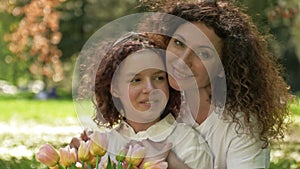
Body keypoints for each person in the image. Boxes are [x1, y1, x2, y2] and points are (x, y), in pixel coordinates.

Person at [139, 1, 293, 169]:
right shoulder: (157, 101)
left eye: (203, 53)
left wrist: (171, 161)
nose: (183, 61)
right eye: (178, 43)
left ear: (223, 66)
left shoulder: (241, 126)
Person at [77, 32, 213, 169]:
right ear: (114, 89)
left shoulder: (188, 143)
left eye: (159, 78)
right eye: (136, 80)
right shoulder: (100, 147)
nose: (150, 88)